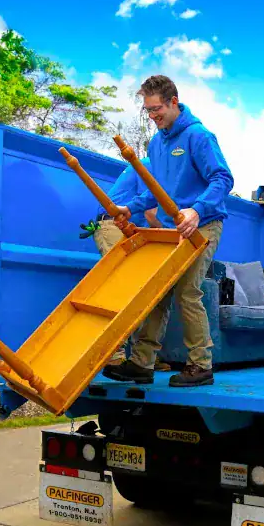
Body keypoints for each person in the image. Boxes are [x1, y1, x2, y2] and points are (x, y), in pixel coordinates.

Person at [103, 74, 233, 387]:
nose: (152, 116)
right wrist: (129, 209)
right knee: (156, 292)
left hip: (204, 223)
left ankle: (200, 365)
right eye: (148, 110)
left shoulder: (199, 136)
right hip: (173, 229)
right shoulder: (156, 143)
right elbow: (156, 191)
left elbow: (223, 179)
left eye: (157, 109)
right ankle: (141, 363)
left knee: (187, 290)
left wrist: (196, 210)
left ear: (174, 102)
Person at [82, 157, 170, 371]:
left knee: (146, 292)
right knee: (123, 289)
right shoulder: (154, 165)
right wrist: (180, 234)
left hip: (130, 229)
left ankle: (143, 358)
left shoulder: (153, 164)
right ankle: (114, 354)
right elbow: (151, 213)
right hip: (115, 225)